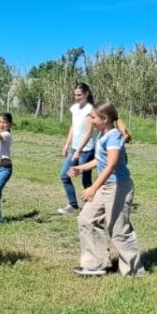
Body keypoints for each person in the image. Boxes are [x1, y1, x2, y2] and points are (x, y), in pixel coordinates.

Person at [68, 102, 145, 277]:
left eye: (93, 117)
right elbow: (101, 160)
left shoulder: (114, 136)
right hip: (106, 186)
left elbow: (111, 164)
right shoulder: (103, 135)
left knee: (117, 228)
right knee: (86, 219)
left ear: (104, 119)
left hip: (119, 187)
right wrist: (83, 168)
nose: (90, 120)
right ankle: (96, 264)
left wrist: (93, 187)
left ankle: (133, 270)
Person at [57, 83, 96, 215]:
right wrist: (67, 145)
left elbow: (89, 132)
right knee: (64, 176)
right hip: (74, 149)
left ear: (86, 94)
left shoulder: (91, 109)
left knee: (86, 179)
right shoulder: (74, 108)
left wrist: (79, 150)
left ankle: (92, 208)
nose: (76, 97)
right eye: (75, 95)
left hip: (87, 150)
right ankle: (72, 205)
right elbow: (73, 127)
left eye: (79, 95)